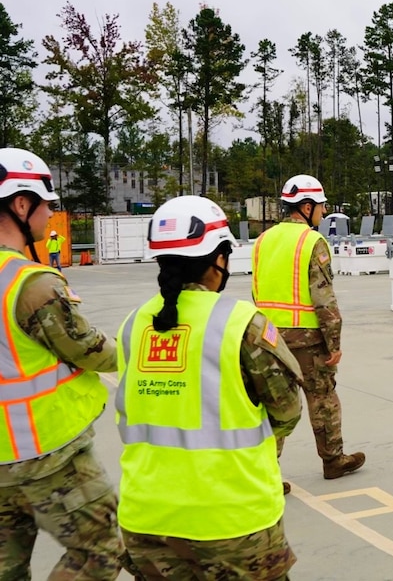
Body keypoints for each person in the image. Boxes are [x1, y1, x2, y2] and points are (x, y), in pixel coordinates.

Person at [116, 195, 302, 578]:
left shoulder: (133, 324)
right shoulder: (241, 323)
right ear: (218, 259)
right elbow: (287, 411)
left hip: (147, 520)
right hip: (233, 521)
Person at [0, 147, 126, 579]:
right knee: (101, 549)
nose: (50, 214)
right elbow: (89, 350)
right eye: (46, 205)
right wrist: (135, 349)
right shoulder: (29, 284)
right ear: (21, 204)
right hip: (44, 455)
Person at [252, 174, 364, 487]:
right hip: (307, 340)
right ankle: (333, 460)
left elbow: (256, 291)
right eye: (321, 206)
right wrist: (334, 342)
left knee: (273, 403)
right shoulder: (312, 242)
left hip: (266, 338)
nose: (324, 212)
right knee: (322, 397)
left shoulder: (262, 241)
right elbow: (323, 297)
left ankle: (266, 473)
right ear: (305, 206)